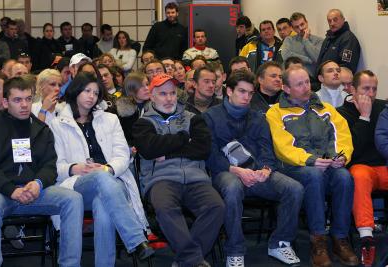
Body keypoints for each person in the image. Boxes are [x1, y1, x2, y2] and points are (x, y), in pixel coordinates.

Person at [49, 72, 154, 267]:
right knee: (99, 181)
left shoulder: (110, 119)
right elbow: (55, 165)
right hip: (78, 185)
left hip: (113, 180)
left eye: (96, 93)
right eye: (87, 91)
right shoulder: (57, 124)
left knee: (103, 204)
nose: (91, 96)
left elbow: (123, 155)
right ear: (75, 91)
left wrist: (108, 169)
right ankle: (136, 240)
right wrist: (75, 168)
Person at [204, 69, 303, 267]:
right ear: (229, 91)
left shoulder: (258, 117)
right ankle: (235, 250)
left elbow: (268, 151)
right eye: (241, 91)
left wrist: (266, 170)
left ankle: (279, 243)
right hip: (227, 172)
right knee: (232, 189)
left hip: (257, 172)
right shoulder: (210, 117)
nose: (246, 97)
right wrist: (238, 171)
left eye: (250, 93)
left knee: (294, 188)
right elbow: (209, 155)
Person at [266, 66, 359, 267]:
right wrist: (311, 160)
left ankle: (340, 238)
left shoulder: (325, 109)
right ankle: (318, 240)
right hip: (293, 166)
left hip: (326, 162)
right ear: (286, 88)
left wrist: (339, 157)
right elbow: (283, 147)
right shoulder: (275, 112)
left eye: (307, 82)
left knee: (344, 177)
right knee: (313, 176)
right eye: (299, 84)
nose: (306, 87)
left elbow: (342, 136)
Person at [0, 76, 84, 267]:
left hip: (35, 192)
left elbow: (50, 165)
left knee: (73, 199)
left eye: (28, 99)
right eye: (17, 100)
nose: (24, 105)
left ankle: (70, 265)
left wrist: (38, 183)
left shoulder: (42, 129)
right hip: (1, 192)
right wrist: (10, 189)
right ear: (6, 102)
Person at [132, 74, 225, 267]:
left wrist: (168, 152)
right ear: (152, 96)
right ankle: (193, 260)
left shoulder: (193, 118)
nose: (169, 99)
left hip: (196, 177)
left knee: (216, 207)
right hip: (160, 179)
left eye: (173, 93)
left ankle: (186, 261)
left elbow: (203, 149)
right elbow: (149, 149)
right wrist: (184, 137)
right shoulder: (143, 123)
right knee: (165, 208)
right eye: (163, 94)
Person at [338, 70, 386, 267]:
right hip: (360, 166)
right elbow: (352, 151)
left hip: (384, 165)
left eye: (374, 89)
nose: (371, 94)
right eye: (366, 88)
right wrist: (364, 118)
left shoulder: (383, 107)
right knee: (358, 176)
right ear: (352, 89)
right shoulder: (342, 113)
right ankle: (366, 236)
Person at [281, 12, 323, 82]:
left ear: (306, 22)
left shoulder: (319, 40)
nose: (300, 28)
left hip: (312, 80)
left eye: (302, 24)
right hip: (291, 79)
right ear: (293, 29)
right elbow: (286, 55)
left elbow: (317, 58)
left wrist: (305, 40)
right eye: (296, 27)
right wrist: (309, 60)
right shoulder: (289, 40)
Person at [317, 9, 361, 73]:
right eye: (329, 21)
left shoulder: (348, 39)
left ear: (343, 20)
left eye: (335, 20)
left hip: (337, 82)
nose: (332, 23)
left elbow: (346, 67)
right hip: (324, 80)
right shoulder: (328, 38)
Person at [115, 72, 150, 146]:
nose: (147, 88)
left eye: (147, 84)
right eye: (141, 86)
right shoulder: (122, 111)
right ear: (131, 89)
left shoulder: (155, 106)